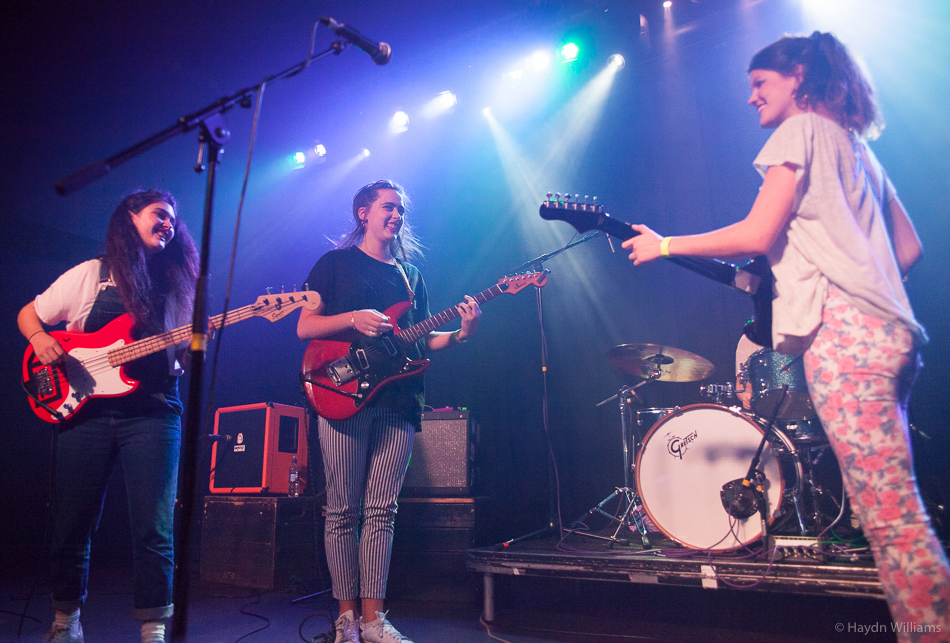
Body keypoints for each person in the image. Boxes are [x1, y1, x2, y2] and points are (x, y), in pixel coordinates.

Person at [622, 32, 950, 640]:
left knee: (893, 521)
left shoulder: (800, 132)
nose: (751, 98)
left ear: (798, 76)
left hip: (847, 341)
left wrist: (665, 244)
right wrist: (850, 277)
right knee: (891, 509)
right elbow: (909, 248)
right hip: (891, 337)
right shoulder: (857, 149)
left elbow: (755, 231)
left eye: (760, 84)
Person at [298, 180, 481, 643]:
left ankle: (374, 620)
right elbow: (305, 326)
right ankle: (345, 619)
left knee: (382, 511)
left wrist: (461, 334)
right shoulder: (334, 264)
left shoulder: (410, 276)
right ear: (363, 212)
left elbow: (422, 344)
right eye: (387, 206)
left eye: (400, 209)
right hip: (341, 394)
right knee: (342, 511)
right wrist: (352, 318)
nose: (396, 215)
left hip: (399, 401)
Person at [18, 190, 199, 643]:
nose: (168, 225)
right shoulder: (92, 274)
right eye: (160, 215)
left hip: (154, 411)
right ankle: (66, 623)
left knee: (154, 526)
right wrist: (41, 339)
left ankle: (153, 628)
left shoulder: (179, 283)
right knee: (71, 521)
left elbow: (180, 359)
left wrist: (193, 342)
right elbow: (29, 314)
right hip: (84, 413)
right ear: (130, 217)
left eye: (173, 221)